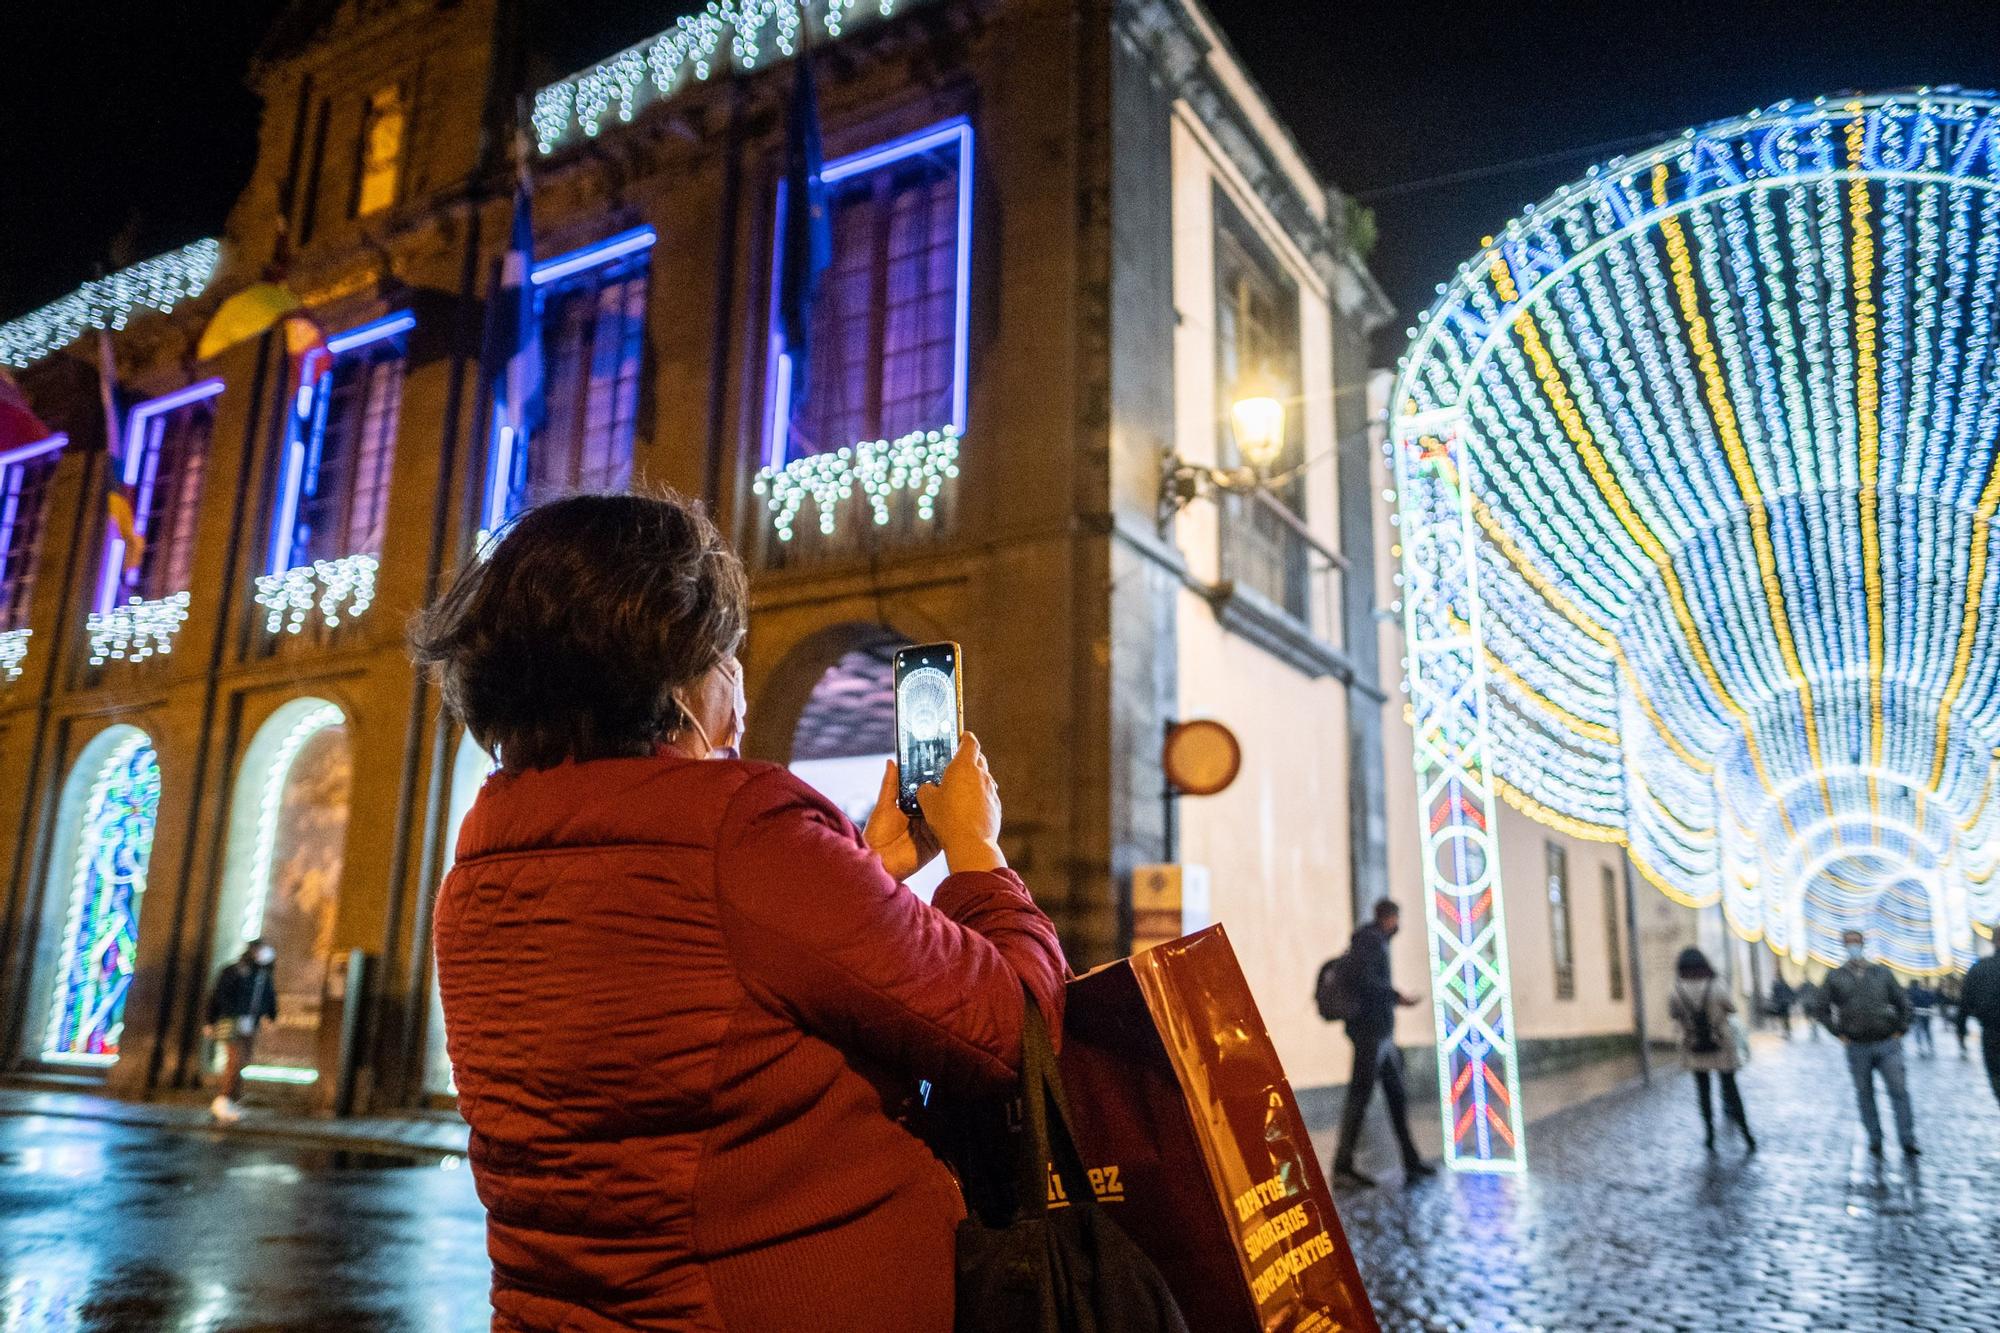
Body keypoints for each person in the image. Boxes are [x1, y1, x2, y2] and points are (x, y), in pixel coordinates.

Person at [413, 493, 1067, 1333]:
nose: (738, 683)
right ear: (671, 671)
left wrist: (861, 875)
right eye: (725, 653)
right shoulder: (741, 830)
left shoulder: (484, 857)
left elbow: (702, 1002)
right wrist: (978, 851)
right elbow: (1013, 1024)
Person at [1329, 899, 1433, 1189]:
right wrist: (1395, 995)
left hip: (1380, 1035)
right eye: (1397, 919)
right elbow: (1367, 982)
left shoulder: (1371, 941)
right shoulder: (1371, 941)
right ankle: (1342, 1165)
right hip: (1371, 1034)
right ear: (1389, 918)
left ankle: (1410, 1159)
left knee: (1396, 1097)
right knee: (1360, 1098)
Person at [1809, 929, 1918, 1157]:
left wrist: (1901, 1028)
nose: (1853, 946)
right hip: (1857, 1045)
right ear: (1843, 945)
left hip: (1887, 1042)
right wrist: (1838, 1033)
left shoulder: (1881, 973)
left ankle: (1907, 1139)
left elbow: (1903, 1002)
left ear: (1863, 944)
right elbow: (1821, 1008)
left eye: (1856, 942)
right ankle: (1875, 1138)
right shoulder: (1835, 976)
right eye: (1849, 943)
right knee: (1864, 1094)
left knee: (1899, 1092)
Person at [1665, 948, 1755, 1152]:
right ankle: (1747, 1135)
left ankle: (1709, 1135)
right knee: (1731, 1089)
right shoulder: (1716, 985)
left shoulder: (1676, 989)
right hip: (1721, 1043)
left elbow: (1673, 1014)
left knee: (1703, 1092)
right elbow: (1731, 1008)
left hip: (1694, 1045)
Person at [205, 939, 277, 1124]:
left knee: (243, 1060)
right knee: (235, 1060)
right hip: (232, 1022)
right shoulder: (234, 971)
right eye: (261, 950)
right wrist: (210, 1021)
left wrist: (270, 1016)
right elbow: (218, 995)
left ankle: (232, 1100)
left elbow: (268, 997)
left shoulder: (263, 974)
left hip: (250, 1024)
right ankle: (223, 1099)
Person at [1960, 950, 2000, 1108]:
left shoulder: (1979, 968)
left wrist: (1961, 1031)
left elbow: (1965, 1003)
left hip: (1991, 1034)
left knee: (1997, 1077)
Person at [1906, 979, 1938, 1056]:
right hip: (1926, 1012)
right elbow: (1932, 1000)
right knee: (1927, 1030)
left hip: (1917, 1012)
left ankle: (1920, 1048)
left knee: (1918, 1031)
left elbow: (1908, 1003)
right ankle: (1931, 1047)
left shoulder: (1910, 992)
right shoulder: (1925, 991)